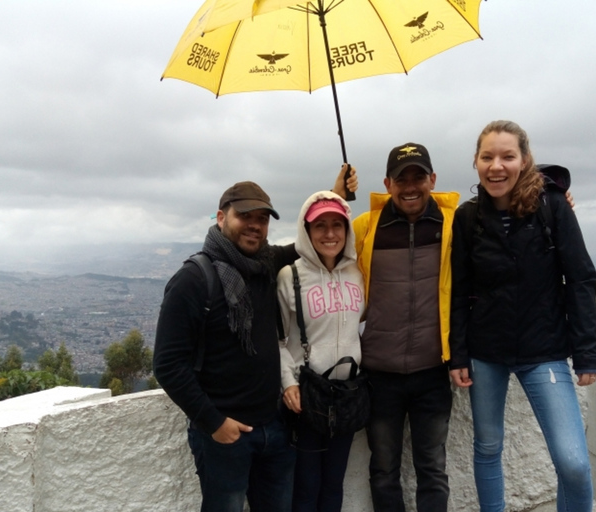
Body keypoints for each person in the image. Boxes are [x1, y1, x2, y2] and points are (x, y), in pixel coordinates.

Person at [153, 168, 356, 512]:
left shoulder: (265, 263)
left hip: (275, 427)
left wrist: (334, 194)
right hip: (224, 434)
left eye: (262, 218)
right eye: (244, 216)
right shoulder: (193, 279)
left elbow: (311, 242)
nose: (254, 225)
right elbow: (168, 364)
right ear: (221, 217)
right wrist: (214, 423)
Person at [449, 120, 596, 512]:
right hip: (486, 352)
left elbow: (580, 277)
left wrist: (586, 354)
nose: (496, 166)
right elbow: (460, 289)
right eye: (487, 157)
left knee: (574, 464)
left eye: (507, 156)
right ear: (476, 162)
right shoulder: (467, 218)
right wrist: (458, 354)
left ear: (525, 160)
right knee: (487, 447)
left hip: (544, 350)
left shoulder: (552, 207)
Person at [352, 143, 458, 512]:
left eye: (418, 176)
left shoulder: (453, 223)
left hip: (433, 370)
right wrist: (337, 194)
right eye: (401, 178)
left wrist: (555, 202)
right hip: (379, 373)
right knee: (383, 470)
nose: (410, 186)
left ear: (432, 179)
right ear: (387, 183)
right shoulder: (365, 227)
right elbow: (320, 239)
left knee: (432, 469)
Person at [278, 191, 365, 512]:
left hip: (346, 395)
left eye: (337, 225)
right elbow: (278, 338)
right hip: (308, 397)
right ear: (307, 231)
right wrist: (287, 382)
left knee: (333, 484)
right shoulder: (291, 277)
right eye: (320, 226)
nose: (330, 234)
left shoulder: (358, 274)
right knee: (306, 485)